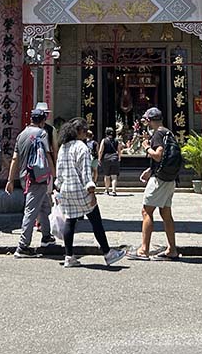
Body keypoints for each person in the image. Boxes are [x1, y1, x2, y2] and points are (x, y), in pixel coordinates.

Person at [53, 118, 126, 268]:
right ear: (78, 131)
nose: (86, 134)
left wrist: (58, 187)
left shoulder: (63, 147)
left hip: (66, 189)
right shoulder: (81, 147)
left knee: (70, 221)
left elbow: (58, 170)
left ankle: (69, 256)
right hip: (81, 189)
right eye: (85, 131)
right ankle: (107, 253)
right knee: (96, 221)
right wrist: (91, 191)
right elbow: (86, 173)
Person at [6, 107, 59, 258]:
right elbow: (48, 155)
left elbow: (15, 158)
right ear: (42, 121)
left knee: (44, 206)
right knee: (31, 211)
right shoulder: (42, 134)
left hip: (25, 177)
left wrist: (10, 180)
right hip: (38, 177)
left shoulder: (21, 135)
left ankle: (46, 237)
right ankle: (22, 246)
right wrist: (55, 176)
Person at [128, 107, 179, 261]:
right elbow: (164, 158)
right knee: (165, 213)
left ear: (149, 120)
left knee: (146, 211)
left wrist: (147, 147)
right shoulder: (168, 132)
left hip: (160, 180)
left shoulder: (157, 134)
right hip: (170, 179)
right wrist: (150, 170)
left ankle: (144, 250)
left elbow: (158, 155)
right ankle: (172, 249)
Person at [99, 126, 121, 195]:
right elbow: (119, 150)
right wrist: (119, 157)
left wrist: (99, 159)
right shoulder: (116, 140)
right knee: (114, 176)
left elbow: (100, 150)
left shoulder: (104, 140)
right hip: (114, 158)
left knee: (107, 175)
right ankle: (114, 190)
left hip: (106, 159)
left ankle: (106, 190)